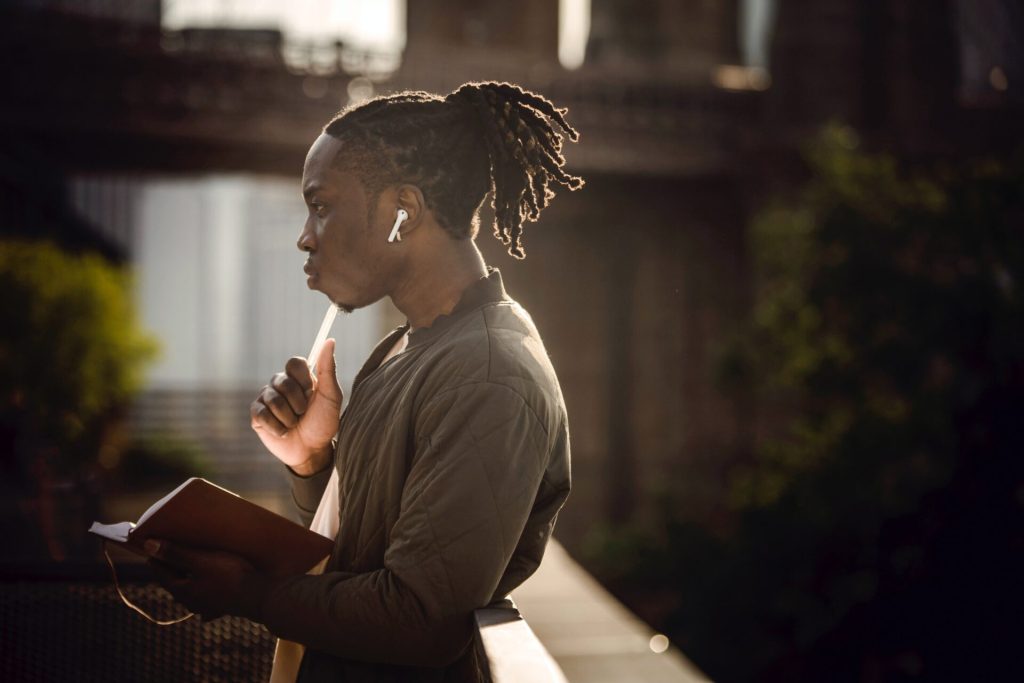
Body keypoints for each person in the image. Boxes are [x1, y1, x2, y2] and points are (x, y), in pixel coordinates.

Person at [143, 80, 583, 681]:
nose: (305, 235)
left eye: (320, 206)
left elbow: (418, 620)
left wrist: (249, 594)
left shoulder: (486, 373)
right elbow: (359, 551)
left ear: (402, 212)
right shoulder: (403, 348)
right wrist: (312, 462)